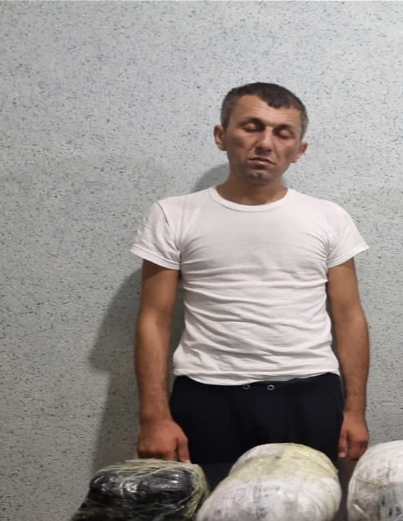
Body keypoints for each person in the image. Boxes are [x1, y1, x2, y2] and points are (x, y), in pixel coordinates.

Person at [131, 83, 370, 465]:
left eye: (283, 133)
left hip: (309, 394)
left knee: (311, 503)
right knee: (209, 504)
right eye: (252, 127)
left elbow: (349, 315)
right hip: (208, 396)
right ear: (221, 135)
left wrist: (355, 410)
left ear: (299, 149)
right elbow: (153, 319)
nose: (265, 143)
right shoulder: (173, 214)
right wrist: (154, 417)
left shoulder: (329, 217)